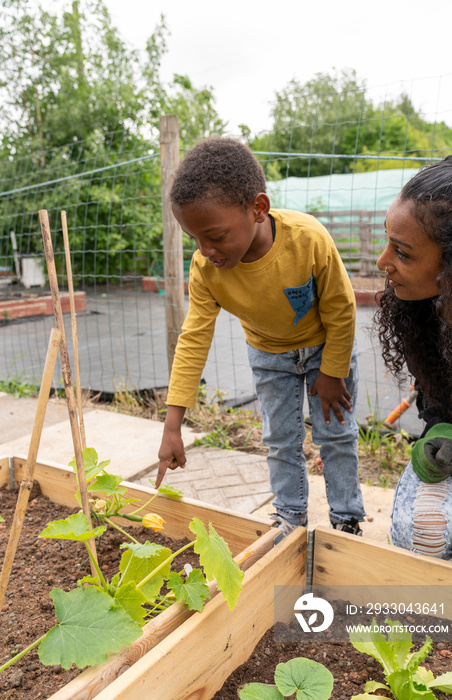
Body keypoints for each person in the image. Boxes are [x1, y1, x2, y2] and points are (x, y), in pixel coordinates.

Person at [156, 137, 365, 536]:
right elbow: (194, 338)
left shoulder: (309, 240)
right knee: (280, 441)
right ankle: (290, 515)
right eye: (194, 239)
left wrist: (334, 372)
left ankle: (347, 517)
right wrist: (172, 425)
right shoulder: (206, 268)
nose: (205, 250)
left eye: (214, 236)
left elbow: (341, 308)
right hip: (269, 356)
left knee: (335, 434)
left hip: (326, 349)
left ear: (258, 208)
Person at [375, 154, 452, 562]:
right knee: (419, 532)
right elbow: (436, 407)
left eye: (403, 253)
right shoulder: (424, 314)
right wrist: (440, 434)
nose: (383, 263)